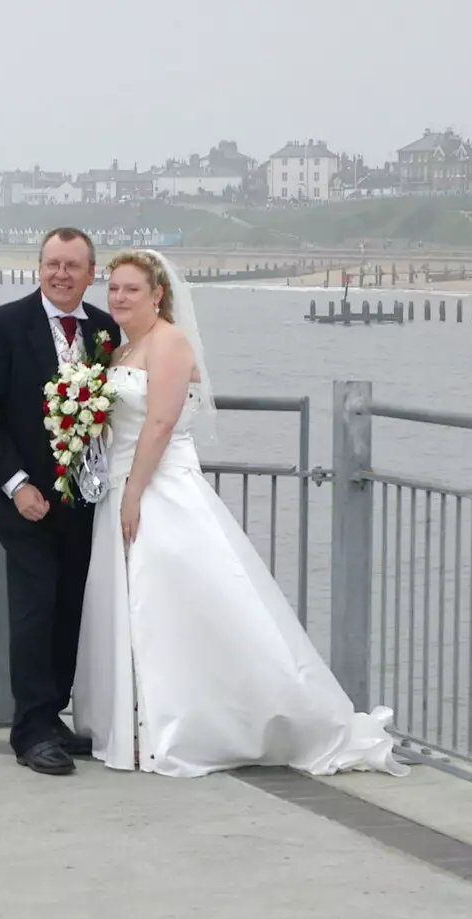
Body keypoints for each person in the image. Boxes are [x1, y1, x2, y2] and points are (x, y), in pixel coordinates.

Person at [70, 249, 408, 780]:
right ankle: (139, 724)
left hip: (159, 488)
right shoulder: (120, 350)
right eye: (114, 289)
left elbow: (159, 424)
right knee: (142, 610)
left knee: (173, 607)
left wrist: (134, 492)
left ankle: (199, 726)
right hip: (121, 485)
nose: (119, 297)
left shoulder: (170, 343)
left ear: (158, 294)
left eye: (131, 289)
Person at [0, 228, 120, 776]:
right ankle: (29, 732)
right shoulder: (1, 326)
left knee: (69, 611)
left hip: (84, 501)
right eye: (53, 263)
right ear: (39, 267)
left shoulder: (104, 329)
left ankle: (52, 716)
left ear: (90, 272)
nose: (62, 274)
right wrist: (17, 483)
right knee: (33, 610)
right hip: (23, 500)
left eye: (74, 265)